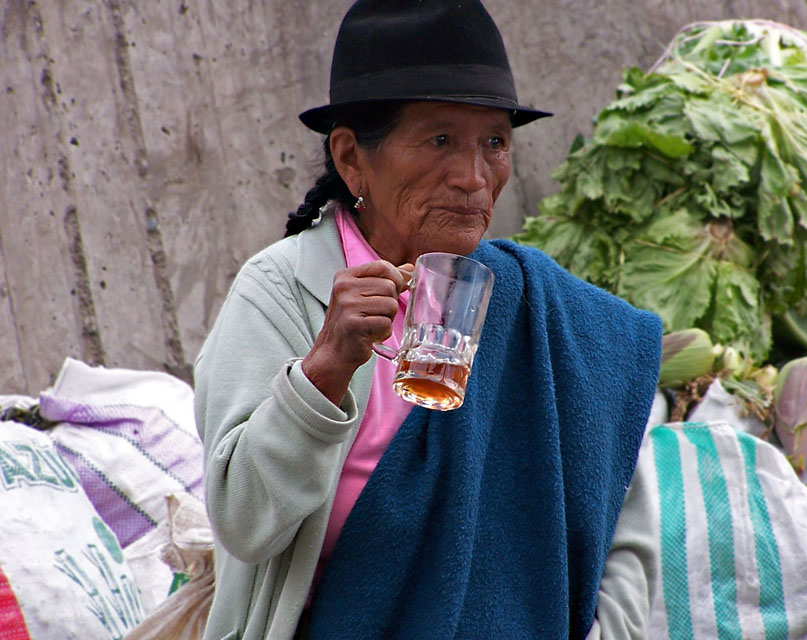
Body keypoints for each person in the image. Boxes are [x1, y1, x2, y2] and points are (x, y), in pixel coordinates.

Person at [193, 1, 662, 639]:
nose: (473, 177)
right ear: (352, 157)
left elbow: (622, 520)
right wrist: (324, 368)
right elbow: (245, 525)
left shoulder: (542, 310)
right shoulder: (281, 294)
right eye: (440, 140)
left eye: (494, 142)